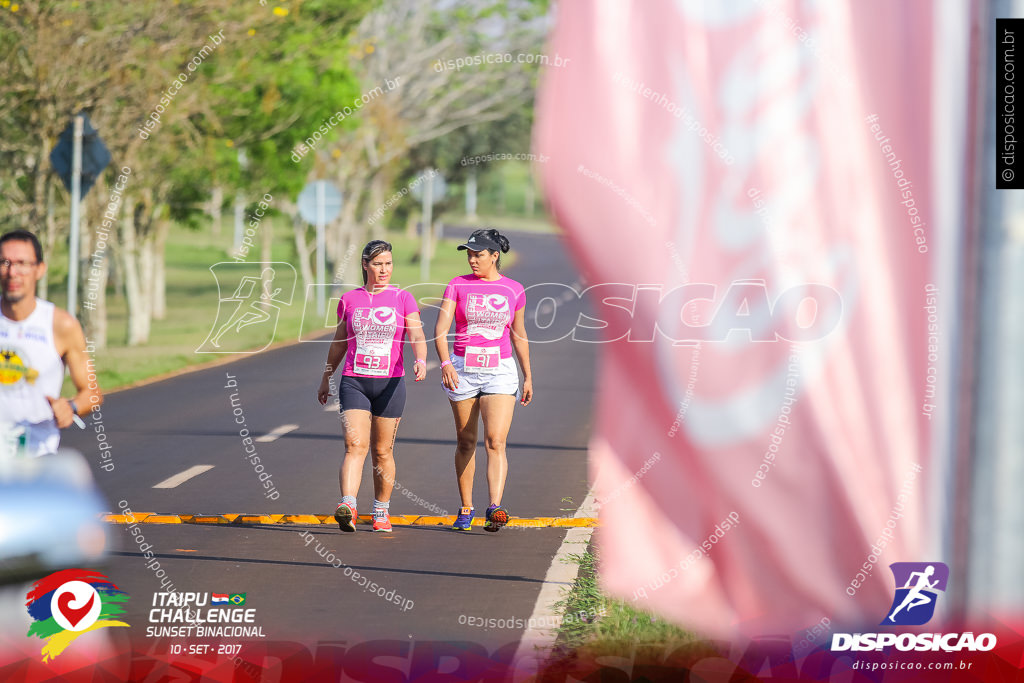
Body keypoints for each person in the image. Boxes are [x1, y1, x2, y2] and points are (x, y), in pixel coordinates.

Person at [317, 240, 426, 533]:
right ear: (365, 265)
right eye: (378, 264)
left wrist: (421, 360)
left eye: (388, 264)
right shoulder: (350, 299)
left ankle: (381, 511)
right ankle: (348, 505)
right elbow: (339, 342)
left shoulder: (403, 298)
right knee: (355, 446)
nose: (384, 270)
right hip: (355, 381)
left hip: (391, 384)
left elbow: (416, 334)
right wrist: (327, 376)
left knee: (382, 452)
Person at [435, 229, 532, 532]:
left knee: (495, 441)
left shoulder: (514, 289)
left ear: (494, 256)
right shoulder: (457, 285)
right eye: (469, 254)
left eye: (478, 254)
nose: (472, 259)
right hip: (463, 368)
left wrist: (528, 375)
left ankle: (495, 507)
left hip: (500, 370)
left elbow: (518, 334)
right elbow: (440, 329)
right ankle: (466, 508)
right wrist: (446, 363)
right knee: (466, 441)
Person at [0, 229, 102, 457]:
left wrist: (71, 407)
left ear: (39, 269)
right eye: (4, 262)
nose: (12, 272)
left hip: (37, 458)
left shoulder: (60, 325)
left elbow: (92, 393)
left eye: (22, 263)